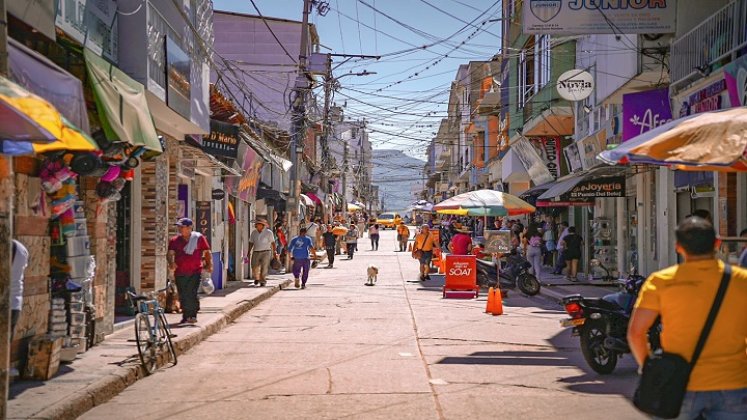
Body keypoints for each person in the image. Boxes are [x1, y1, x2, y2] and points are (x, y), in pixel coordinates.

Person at [628, 217, 747, 419]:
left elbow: (635, 333)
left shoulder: (661, 281)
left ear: (678, 247)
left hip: (677, 382)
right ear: (717, 243)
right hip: (733, 383)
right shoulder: (741, 280)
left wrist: (648, 368)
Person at [168, 218, 212, 324]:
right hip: (180, 272)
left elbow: (207, 252)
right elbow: (170, 253)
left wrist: (209, 265)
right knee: (183, 294)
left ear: (189, 228)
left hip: (195, 271)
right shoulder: (175, 240)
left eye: (182, 227)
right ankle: (186, 315)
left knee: (191, 293)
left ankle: (192, 315)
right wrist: (171, 263)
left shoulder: (199, 238)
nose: (180, 229)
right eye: (179, 227)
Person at [248, 218, 277, 286]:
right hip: (256, 251)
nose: (256, 225)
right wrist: (248, 251)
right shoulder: (254, 233)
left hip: (266, 252)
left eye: (258, 224)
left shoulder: (268, 232)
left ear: (262, 225)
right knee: (254, 265)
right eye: (256, 224)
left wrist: (274, 251)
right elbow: (251, 243)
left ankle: (263, 280)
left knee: (264, 266)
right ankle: (257, 278)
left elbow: (273, 243)